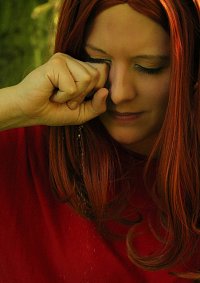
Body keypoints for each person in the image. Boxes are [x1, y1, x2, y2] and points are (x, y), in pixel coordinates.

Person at [0, 0, 199, 282]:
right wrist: (15, 106)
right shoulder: (23, 144)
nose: (119, 93)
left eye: (148, 67)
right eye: (98, 61)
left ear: (189, 66)